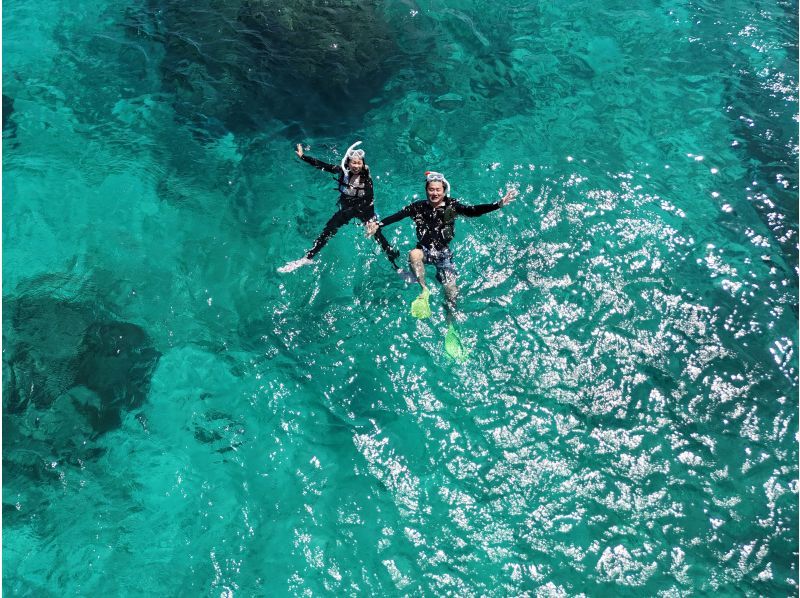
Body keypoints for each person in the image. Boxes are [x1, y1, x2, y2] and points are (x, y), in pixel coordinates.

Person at [366, 171, 517, 318]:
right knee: (413, 254)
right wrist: (378, 224)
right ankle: (424, 290)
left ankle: (450, 320)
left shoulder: (452, 206)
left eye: (438, 190)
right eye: (431, 189)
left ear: (444, 191)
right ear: (426, 191)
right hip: (424, 250)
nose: (435, 193)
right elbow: (398, 216)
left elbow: (472, 210)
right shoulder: (418, 207)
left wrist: (497, 205)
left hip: (443, 253)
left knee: (451, 290)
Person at [278, 141, 400, 273]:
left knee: (377, 234)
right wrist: (303, 157)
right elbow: (323, 165)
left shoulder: (366, 180)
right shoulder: (342, 171)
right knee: (328, 230)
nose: (356, 166)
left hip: (364, 208)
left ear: (363, 164)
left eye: (359, 163)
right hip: (347, 207)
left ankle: (394, 261)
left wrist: (370, 222)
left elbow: (369, 200)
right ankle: (308, 258)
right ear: (348, 163)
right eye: (354, 162)